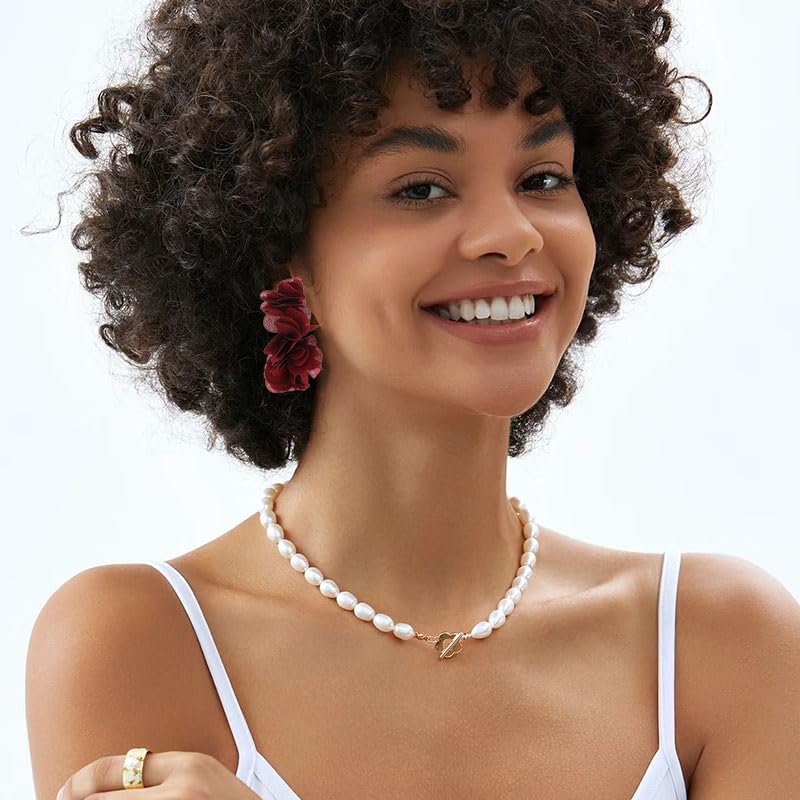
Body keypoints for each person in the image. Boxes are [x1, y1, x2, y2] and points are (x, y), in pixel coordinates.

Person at [25, 1, 800, 799]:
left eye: (542, 179)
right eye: (422, 188)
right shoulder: (141, 641)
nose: (513, 234)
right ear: (274, 245)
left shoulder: (719, 646)